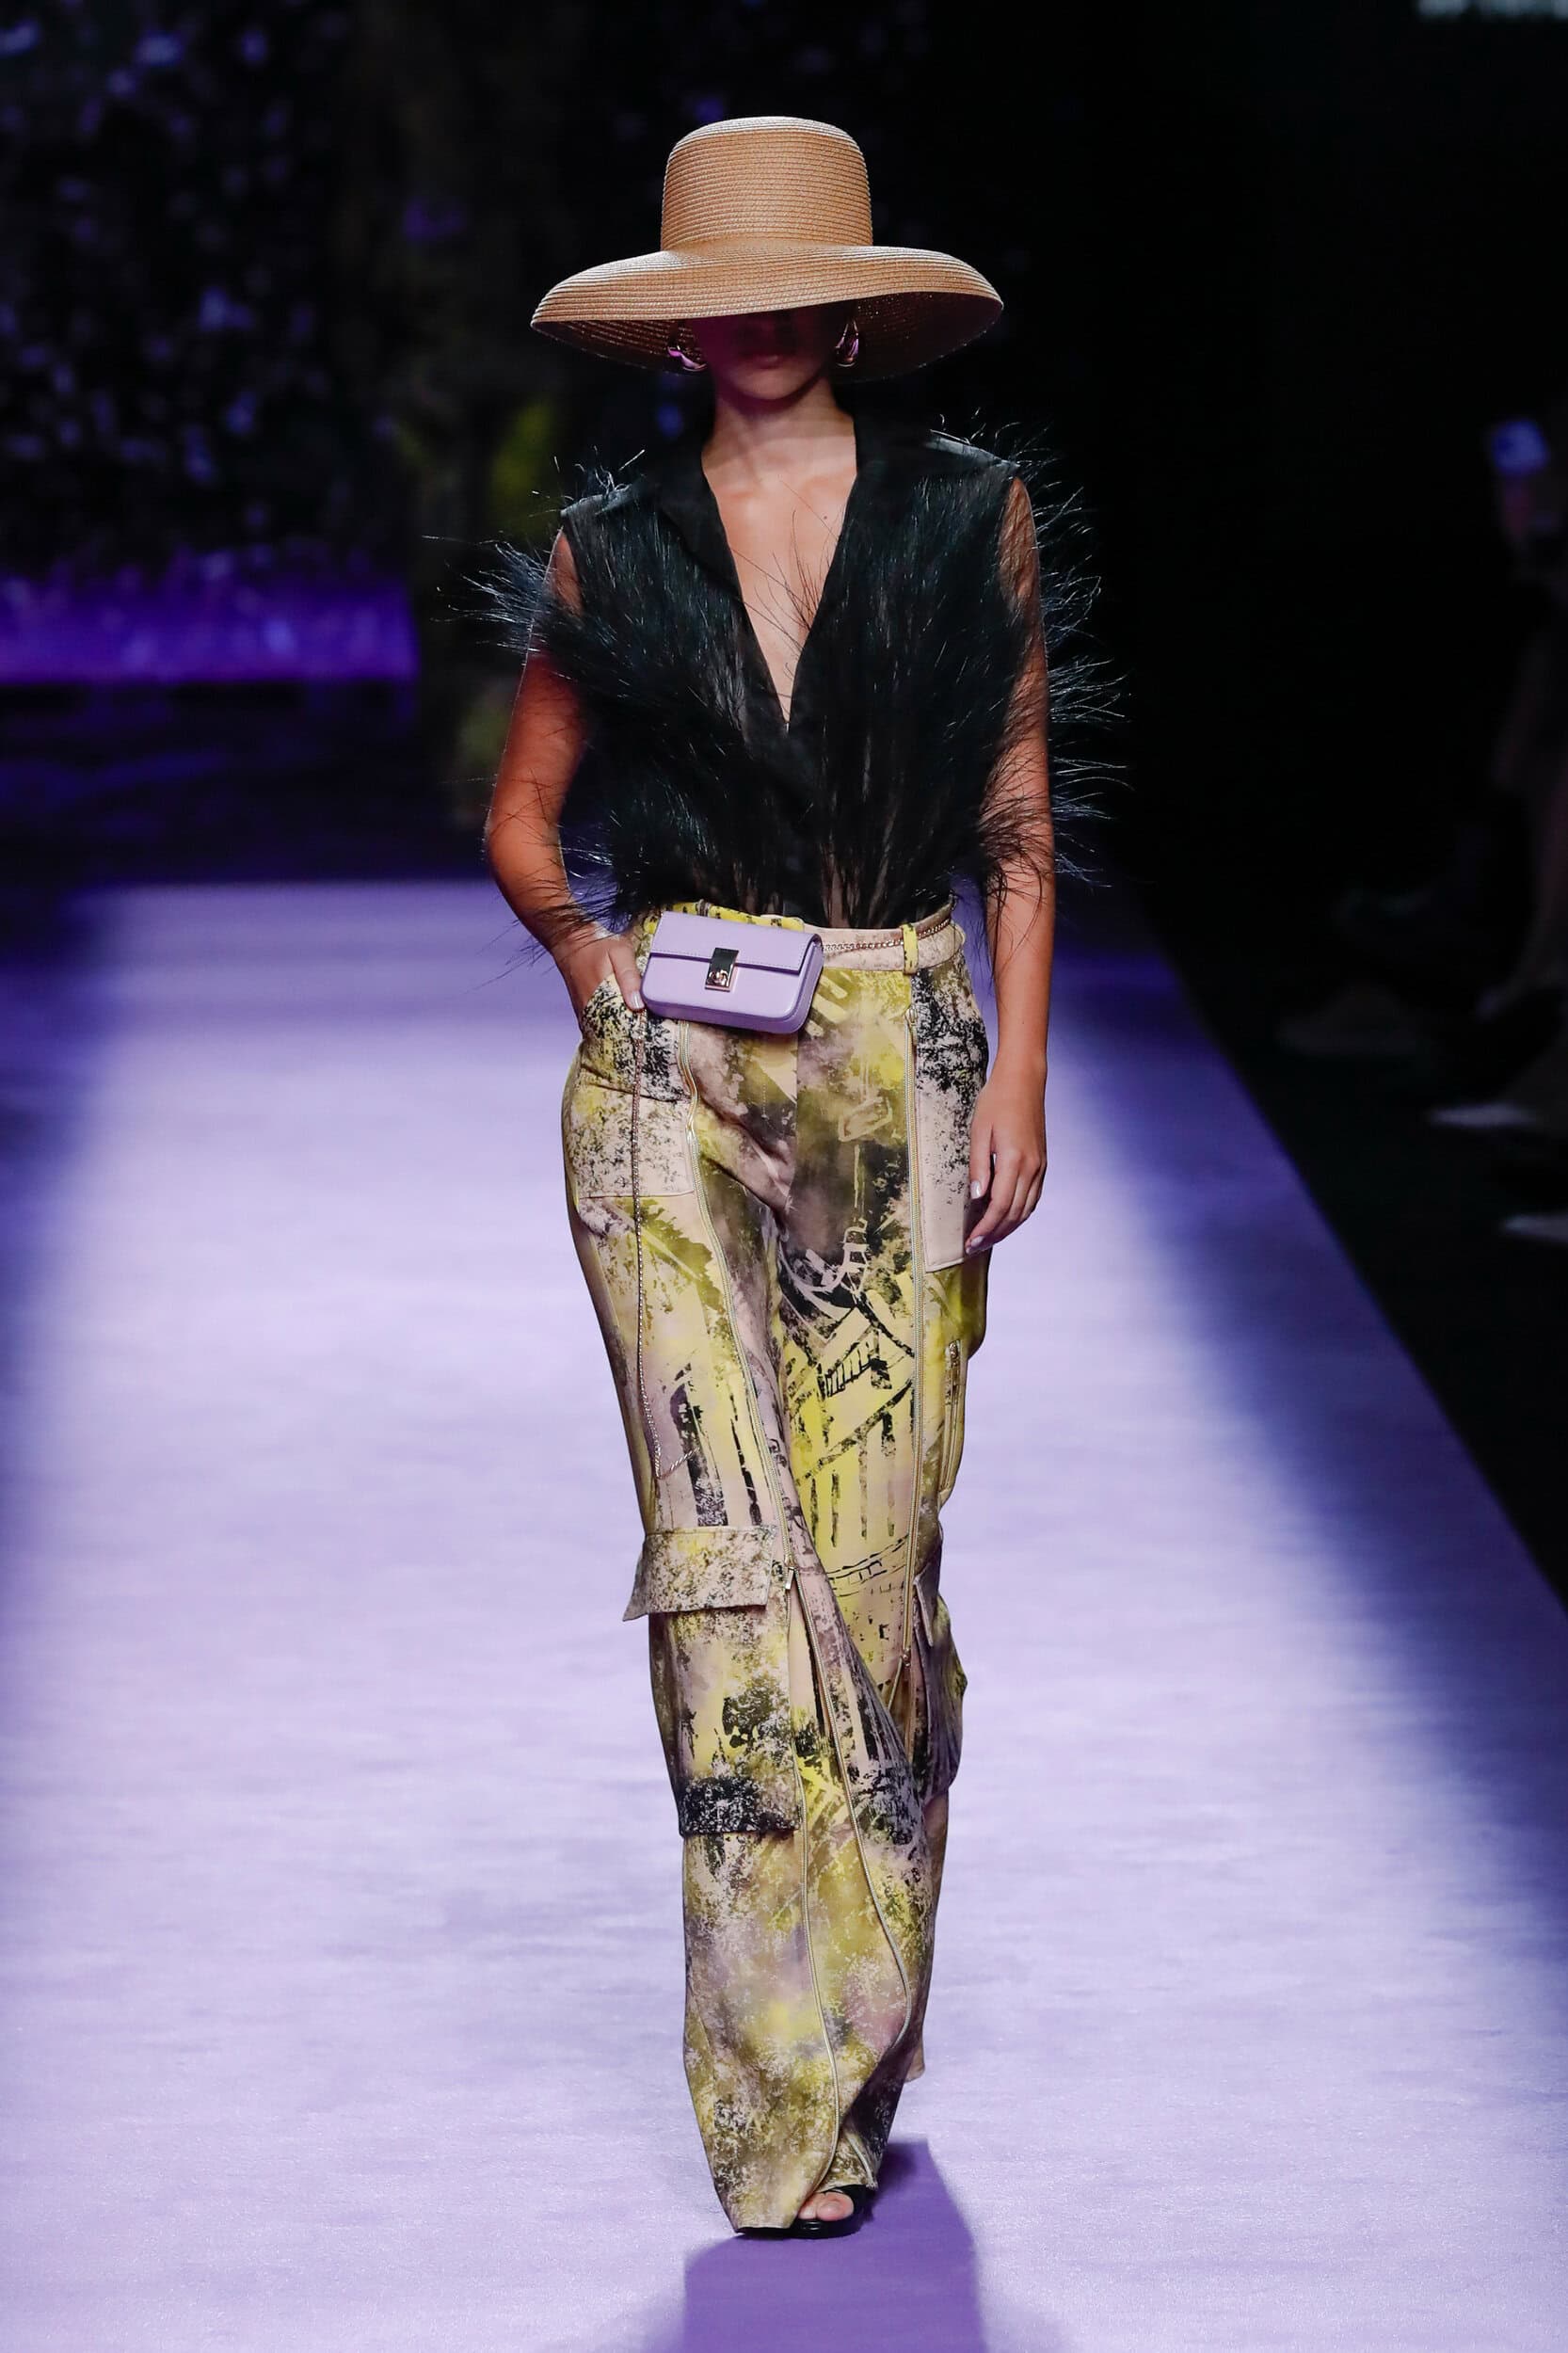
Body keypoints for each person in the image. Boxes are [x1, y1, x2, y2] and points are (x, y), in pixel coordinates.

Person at [484, 116, 1061, 2236]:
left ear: (848, 308)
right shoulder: (610, 545)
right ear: (677, 323)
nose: (754, 318)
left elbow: (1015, 819)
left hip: (898, 1052)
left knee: (875, 1579)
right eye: (718, 290)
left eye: (789, 284)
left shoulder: (966, 518)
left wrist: (1017, 1073)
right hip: (671, 1083)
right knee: (726, 1571)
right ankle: (777, 2103)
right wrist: (596, 979)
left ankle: (859, 2006)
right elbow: (525, 820)